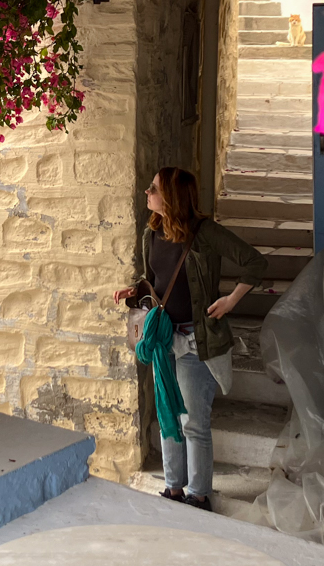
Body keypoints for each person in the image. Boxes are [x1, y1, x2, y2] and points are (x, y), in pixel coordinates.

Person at [113, 167, 268, 511]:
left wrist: (230, 301)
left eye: (152, 188)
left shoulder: (206, 233)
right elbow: (154, 279)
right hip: (164, 338)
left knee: (194, 422)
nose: (147, 193)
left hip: (195, 341)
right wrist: (136, 287)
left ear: (170, 196)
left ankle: (199, 495)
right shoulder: (150, 233)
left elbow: (255, 263)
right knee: (168, 414)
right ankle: (173, 489)